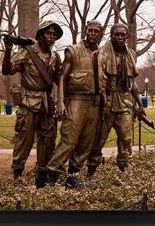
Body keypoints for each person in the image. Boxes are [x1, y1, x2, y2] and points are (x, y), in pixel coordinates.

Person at [46, 20, 108, 188]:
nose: (93, 33)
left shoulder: (103, 54)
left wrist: (105, 103)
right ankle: (51, 174)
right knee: (69, 139)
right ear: (85, 31)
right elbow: (62, 78)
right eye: (90, 30)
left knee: (86, 143)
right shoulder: (73, 51)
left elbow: (103, 81)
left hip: (94, 104)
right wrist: (60, 102)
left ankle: (73, 175)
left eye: (97, 31)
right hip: (76, 100)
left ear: (101, 33)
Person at [1, 20, 63, 189]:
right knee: (24, 141)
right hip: (28, 103)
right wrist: (7, 51)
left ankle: (42, 177)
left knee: (48, 140)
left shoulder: (56, 57)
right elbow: (7, 70)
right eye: (48, 33)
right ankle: (17, 176)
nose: (51, 37)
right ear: (41, 34)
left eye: (54, 34)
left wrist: (61, 102)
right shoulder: (27, 52)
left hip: (46, 105)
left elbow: (60, 80)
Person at [86, 23, 145, 180]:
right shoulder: (102, 53)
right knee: (99, 139)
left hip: (124, 102)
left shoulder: (130, 54)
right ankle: (90, 172)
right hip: (106, 101)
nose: (119, 37)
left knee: (126, 139)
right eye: (116, 34)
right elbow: (99, 81)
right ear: (111, 36)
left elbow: (132, 83)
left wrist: (140, 103)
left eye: (122, 35)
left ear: (126, 37)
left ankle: (125, 172)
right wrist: (105, 103)